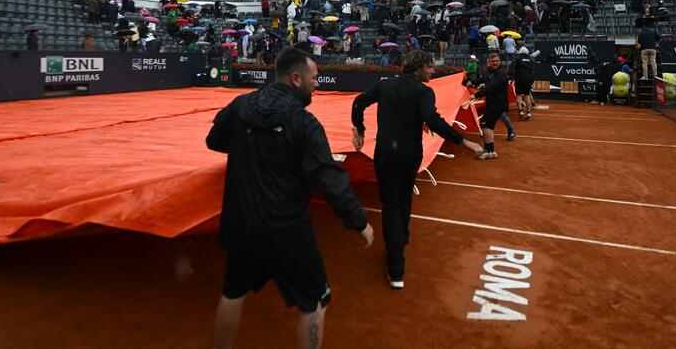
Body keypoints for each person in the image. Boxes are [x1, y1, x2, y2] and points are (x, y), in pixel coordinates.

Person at [207, 49, 374, 349]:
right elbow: (328, 177)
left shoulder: (241, 105)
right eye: (314, 78)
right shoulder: (305, 123)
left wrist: (253, 148)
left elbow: (215, 140)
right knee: (314, 302)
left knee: (233, 292)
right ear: (296, 79)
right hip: (288, 231)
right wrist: (359, 220)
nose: (318, 84)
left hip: (242, 223)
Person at [351, 50, 486, 289]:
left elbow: (358, 102)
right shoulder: (424, 91)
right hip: (410, 155)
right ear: (420, 66)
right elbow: (432, 120)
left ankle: (396, 263)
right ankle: (398, 252)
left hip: (385, 154)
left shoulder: (386, 86)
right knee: (402, 202)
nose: (433, 71)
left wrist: (360, 131)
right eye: (431, 67)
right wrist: (463, 142)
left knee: (391, 206)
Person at [462, 52, 510, 159]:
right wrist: (472, 82)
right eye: (493, 61)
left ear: (500, 61)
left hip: (498, 104)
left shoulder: (501, 74)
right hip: (492, 103)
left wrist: (475, 95)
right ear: (489, 62)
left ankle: (488, 150)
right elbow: (483, 79)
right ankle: (491, 151)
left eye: (497, 61)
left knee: (484, 123)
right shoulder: (489, 71)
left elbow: (491, 87)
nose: (495, 63)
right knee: (489, 126)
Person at [511, 46, 535, 121]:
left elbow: (512, 67)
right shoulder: (531, 59)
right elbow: (532, 68)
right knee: (527, 95)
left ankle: (520, 111)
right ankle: (528, 113)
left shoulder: (517, 57)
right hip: (529, 78)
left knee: (518, 95)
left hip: (520, 78)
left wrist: (510, 76)